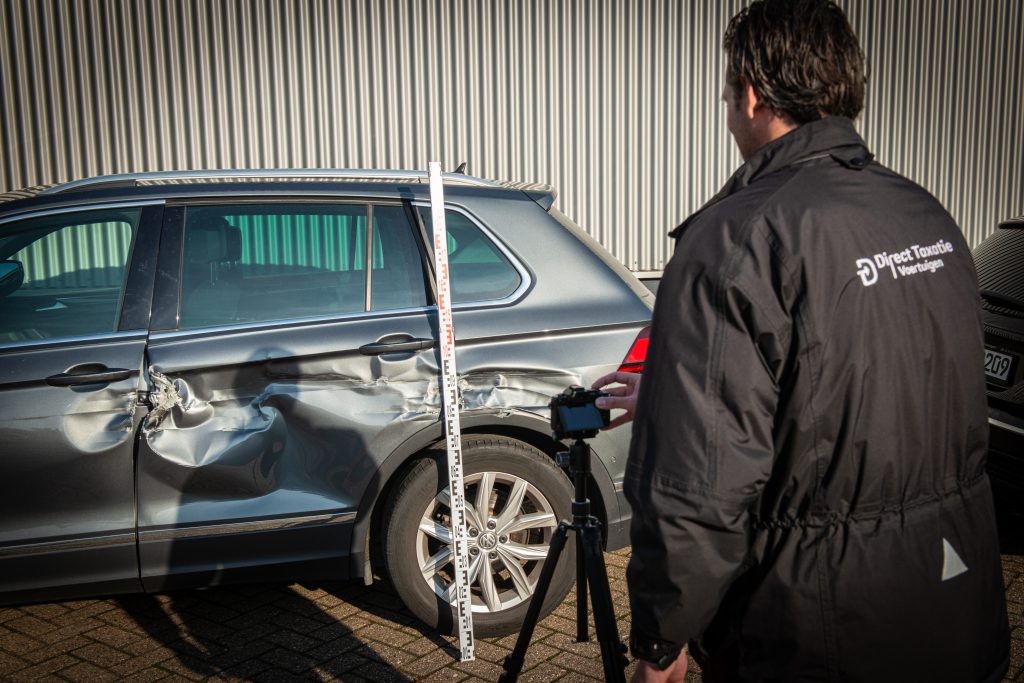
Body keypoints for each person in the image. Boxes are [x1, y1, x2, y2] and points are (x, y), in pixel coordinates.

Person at [593, 1, 1010, 681]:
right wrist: (684, 392)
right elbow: (872, 378)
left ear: (751, 95)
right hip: (955, 607)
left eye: (727, 93)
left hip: (818, 632)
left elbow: (697, 491)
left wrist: (661, 641)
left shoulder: (736, 240)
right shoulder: (924, 214)